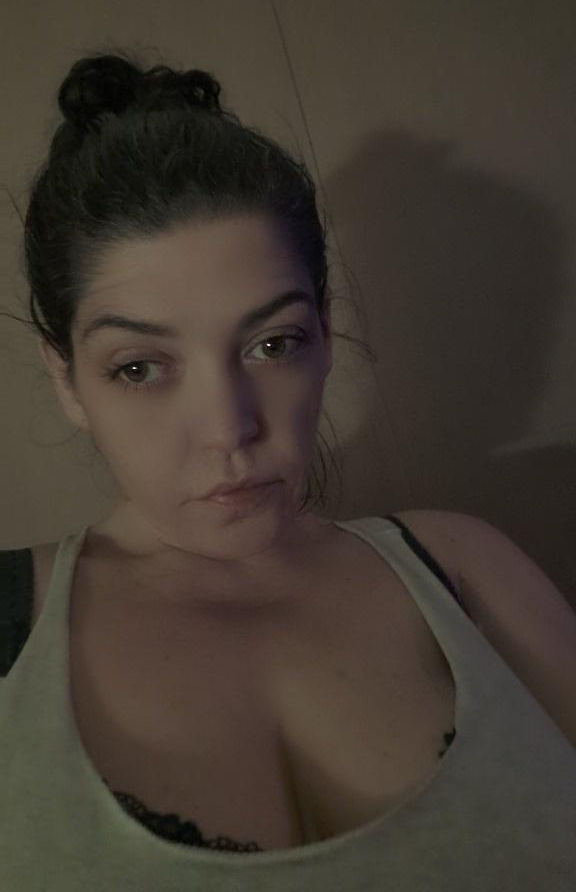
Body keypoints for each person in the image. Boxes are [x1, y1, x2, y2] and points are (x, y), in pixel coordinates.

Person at [1, 51, 575, 890]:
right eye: (140, 367)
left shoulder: (466, 569)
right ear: (66, 379)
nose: (228, 430)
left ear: (325, 332)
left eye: (273, 344)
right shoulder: (11, 625)